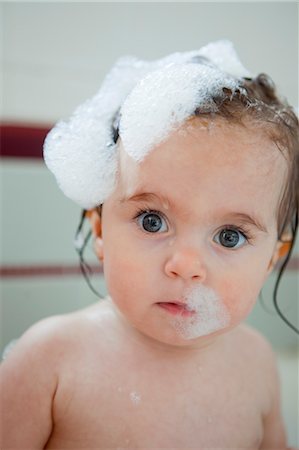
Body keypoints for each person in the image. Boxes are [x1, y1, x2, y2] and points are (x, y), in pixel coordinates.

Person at [1, 40, 298, 449]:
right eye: (152, 221)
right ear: (101, 231)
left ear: (270, 260)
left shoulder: (257, 364)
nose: (186, 265)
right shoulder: (48, 361)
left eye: (230, 236)